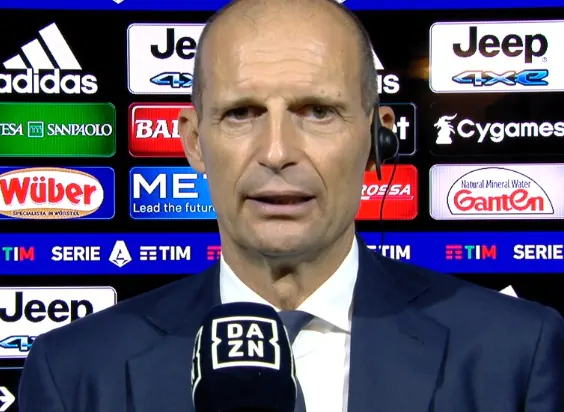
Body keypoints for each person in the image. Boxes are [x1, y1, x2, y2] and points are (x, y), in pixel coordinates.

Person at [19, 0, 564, 411]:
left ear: (377, 140)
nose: (277, 152)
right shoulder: (75, 370)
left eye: (317, 111)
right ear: (194, 143)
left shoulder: (515, 352)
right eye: (241, 113)